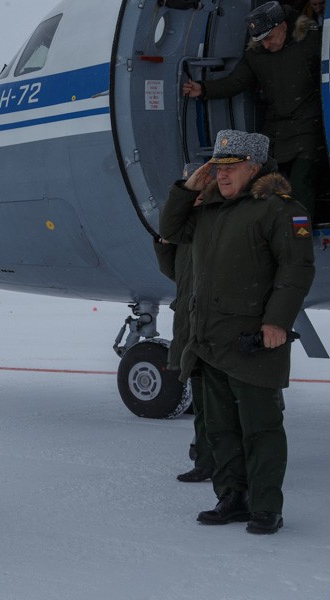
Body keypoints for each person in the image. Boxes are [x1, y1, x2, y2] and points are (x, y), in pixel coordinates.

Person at [159, 129, 314, 535]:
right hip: (210, 339)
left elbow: (296, 269)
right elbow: (169, 230)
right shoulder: (207, 210)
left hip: (253, 342)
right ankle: (231, 497)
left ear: (255, 168)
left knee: (260, 428)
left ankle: (265, 507)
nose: (222, 177)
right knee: (221, 429)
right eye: (217, 169)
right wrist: (188, 186)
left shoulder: (280, 210)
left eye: (231, 168)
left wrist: (277, 321)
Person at [182, 1, 323, 216]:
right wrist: (203, 90)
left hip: (308, 126)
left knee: (301, 186)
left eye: (269, 38)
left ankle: (301, 236)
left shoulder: (311, 43)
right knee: (274, 189)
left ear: (283, 26)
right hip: (276, 131)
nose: (265, 45)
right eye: (260, 40)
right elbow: (236, 82)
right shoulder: (256, 56)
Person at [153, 234, 215, 483]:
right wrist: (165, 244)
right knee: (204, 404)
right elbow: (175, 272)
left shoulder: (222, 226)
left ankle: (236, 468)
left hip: (219, 327)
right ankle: (206, 461)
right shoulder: (189, 234)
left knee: (230, 405)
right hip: (193, 329)